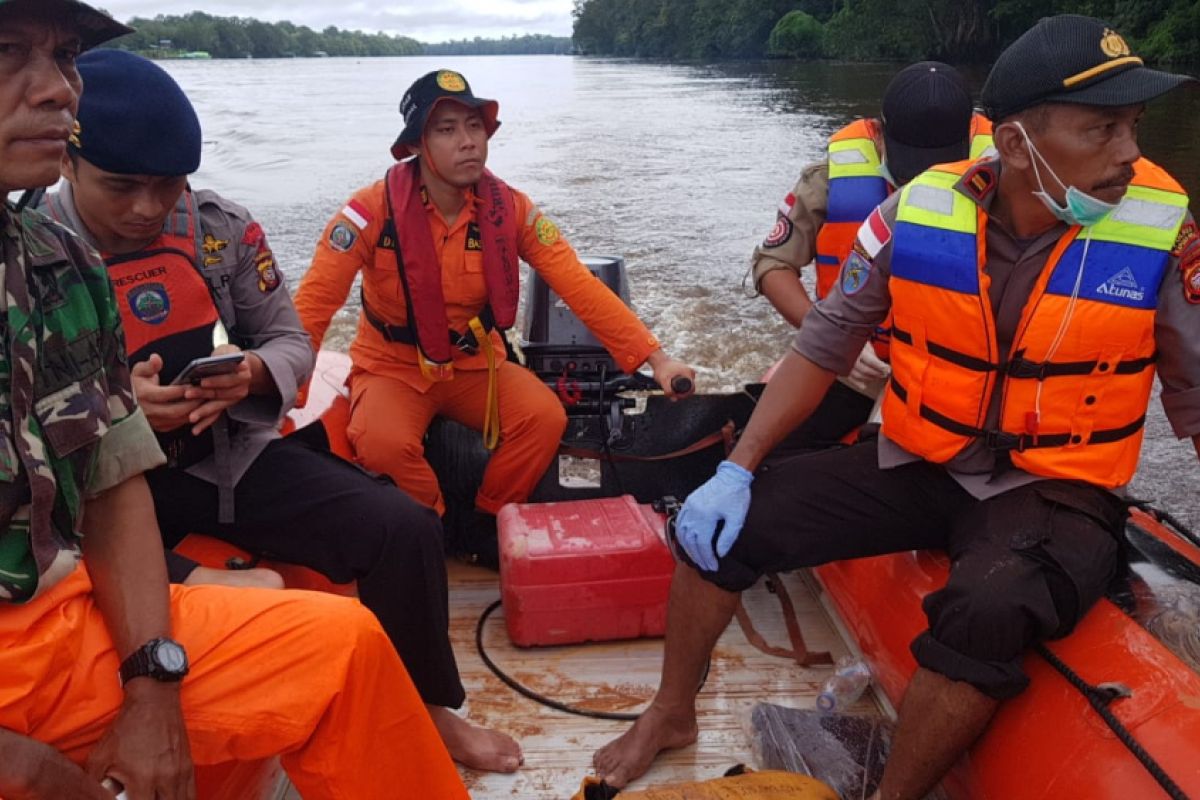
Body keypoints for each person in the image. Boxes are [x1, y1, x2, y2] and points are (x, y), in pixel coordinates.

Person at [595, 15, 1199, 798]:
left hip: (1056, 485)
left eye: (1135, 126)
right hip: (923, 458)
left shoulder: (1164, 229)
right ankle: (672, 711)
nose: (1129, 152)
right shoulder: (914, 212)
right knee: (721, 526)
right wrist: (737, 469)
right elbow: (823, 346)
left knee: (988, 605)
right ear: (1016, 146)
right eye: (1104, 128)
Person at [0, 2, 468, 798]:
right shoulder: (56, 236)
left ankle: (433, 706)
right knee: (260, 596)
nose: (150, 209)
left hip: (222, 457)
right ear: (73, 169)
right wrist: (131, 415)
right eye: (11, 52)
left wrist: (251, 377)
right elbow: (88, 484)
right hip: (79, 519)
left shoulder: (146, 245)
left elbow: (290, 338)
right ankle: (209, 591)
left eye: (66, 56)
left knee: (401, 527)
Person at [294, 69, 696, 563]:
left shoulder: (512, 211)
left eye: (474, 126)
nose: (468, 143)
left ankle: (488, 522)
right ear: (416, 145)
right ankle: (431, 528)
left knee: (544, 416)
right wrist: (280, 388)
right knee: (380, 445)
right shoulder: (368, 212)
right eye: (446, 130)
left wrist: (657, 360)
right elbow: (315, 303)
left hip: (475, 366)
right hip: (392, 366)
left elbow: (579, 285)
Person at [747, 62, 993, 450]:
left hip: (957, 375)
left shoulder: (1011, 180)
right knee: (774, 452)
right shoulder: (829, 179)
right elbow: (772, 264)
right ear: (879, 134)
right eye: (911, 166)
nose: (921, 181)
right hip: (857, 367)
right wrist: (831, 335)